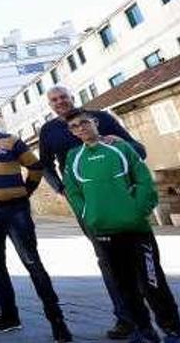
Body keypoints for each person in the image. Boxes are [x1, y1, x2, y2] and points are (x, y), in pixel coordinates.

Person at [62, 109, 180, 343]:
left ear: (95, 123)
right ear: (72, 132)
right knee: (124, 287)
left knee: (152, 283)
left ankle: (172, 330)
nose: (80, 128)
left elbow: (144, 181)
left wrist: (136, 211)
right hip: (102, 231)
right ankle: (142, 331)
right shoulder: (74, 157)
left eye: (84, 122)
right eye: (74, 126)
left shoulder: (121, 148)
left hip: (136, 231)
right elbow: (72, 191)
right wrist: (88, 214)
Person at [39, 85, 146, 340]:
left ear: (72, 97)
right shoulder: (49, 130)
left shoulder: (103, 118)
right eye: (54, 100)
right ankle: (126, 318)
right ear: (50, 105)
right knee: (108, 259)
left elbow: (138, 151)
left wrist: (120, 141)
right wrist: (61, 188)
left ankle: (158, 317)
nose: (60, 102)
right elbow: (44, 164)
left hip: (121, 197)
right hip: (87, 203)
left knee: (140, 256)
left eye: (63, 96)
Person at [0, 105, 72, 342]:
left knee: (32, 262)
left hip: (16, 211)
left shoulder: (11, 141)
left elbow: (35, 167)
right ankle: (10, 318)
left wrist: (25, 191)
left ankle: (57, 322)